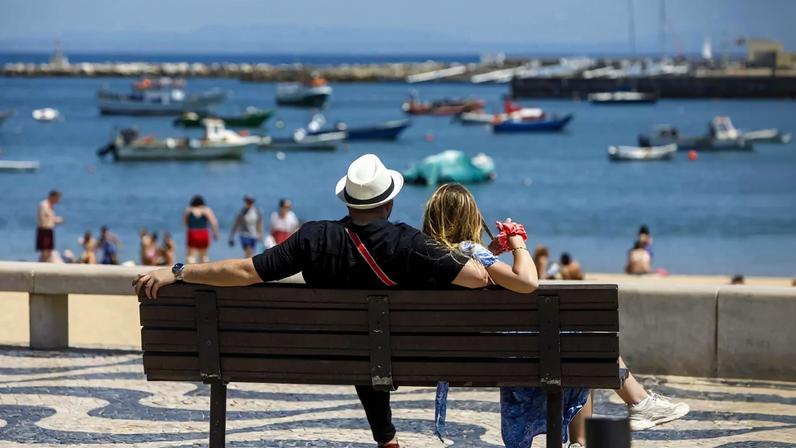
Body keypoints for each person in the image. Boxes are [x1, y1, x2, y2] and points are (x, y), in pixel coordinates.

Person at [134, 154, 493, 448]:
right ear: (389, 202)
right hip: (396, 356)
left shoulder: (313, 237)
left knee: (363, 343)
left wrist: (178, 271)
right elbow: (478, 278)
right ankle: (386, 439)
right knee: (374, 343)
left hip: (331, 353)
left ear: (349, 201)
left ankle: (387, 439)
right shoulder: (408, 243)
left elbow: (245, 271)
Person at [421, 183, 586, 447]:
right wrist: (517, 241)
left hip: (443, 357)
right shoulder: (472, 252)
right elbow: (528, 281)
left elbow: (463, 269)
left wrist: (491, 251)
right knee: (578, 343)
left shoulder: (424, 252)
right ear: (471, 217)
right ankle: (580, 441)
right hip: (491, 358)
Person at [183, 195, 219, 263]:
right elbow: (214, 223)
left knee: (191, 256)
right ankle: (204, 272)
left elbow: (184, 222)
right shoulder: (206, 210)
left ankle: (191, 271)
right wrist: (215, 234)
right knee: (204, 256)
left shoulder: (188, 209)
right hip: (203, 233)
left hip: (192, 233)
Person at [36, 190, 64, 262]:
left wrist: (56, 220)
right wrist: (55, 220)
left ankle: (42, 264)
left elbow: (49, 218)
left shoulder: (50, 206)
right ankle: (41, 265)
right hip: (44, 229)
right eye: (57, 198)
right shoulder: (43, 205)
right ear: (53, 197)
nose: (58, 201)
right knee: (45, 251)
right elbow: (43, 218)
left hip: (49, 230)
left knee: (48, 251)